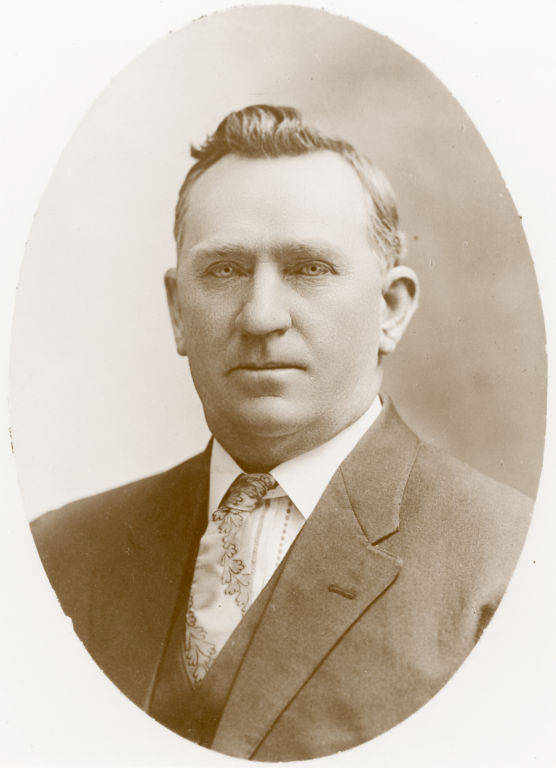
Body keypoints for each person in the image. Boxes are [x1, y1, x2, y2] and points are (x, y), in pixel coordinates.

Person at [31, 104, 532, 761]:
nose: (262, 316)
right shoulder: (56, 557)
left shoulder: (509, 564)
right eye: (225, 270)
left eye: (308, 269)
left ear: (391, 308)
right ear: (177, 311)